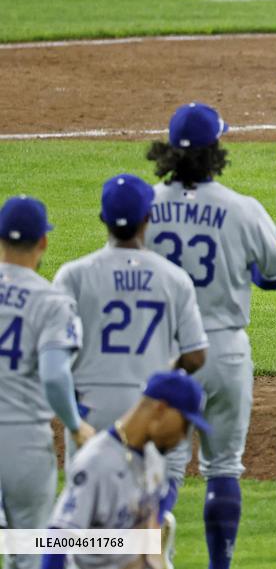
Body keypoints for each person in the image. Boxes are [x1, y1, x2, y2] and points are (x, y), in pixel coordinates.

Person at [144, 102, 276, 569]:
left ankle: (151, 554)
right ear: (217, 151)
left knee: (162, 467)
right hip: (224, 349)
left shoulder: (145, 206)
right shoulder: (241, 210)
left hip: (163, 354)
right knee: (224, 467)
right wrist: (245, 269)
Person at [52, 174, 209, 563]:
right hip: (151, 409)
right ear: (148, 218)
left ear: (103, 218)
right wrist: (163, 364)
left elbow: (57, 353)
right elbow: (197, 355)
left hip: (91, 411)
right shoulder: (173, 278)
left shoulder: (73, 275)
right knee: (142, 506)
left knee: (81, 521)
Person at [0, 196, 95, 569]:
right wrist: (74, 425)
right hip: (23, 441)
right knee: (27, 554)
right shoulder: (51, 301)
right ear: (43, 242)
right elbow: (56, 376)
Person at [42, 370, 212, 569]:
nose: (184, 437)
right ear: (161, 409)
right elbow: (58, 538)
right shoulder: (96, 462)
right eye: (185, 424)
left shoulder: (154, 459)